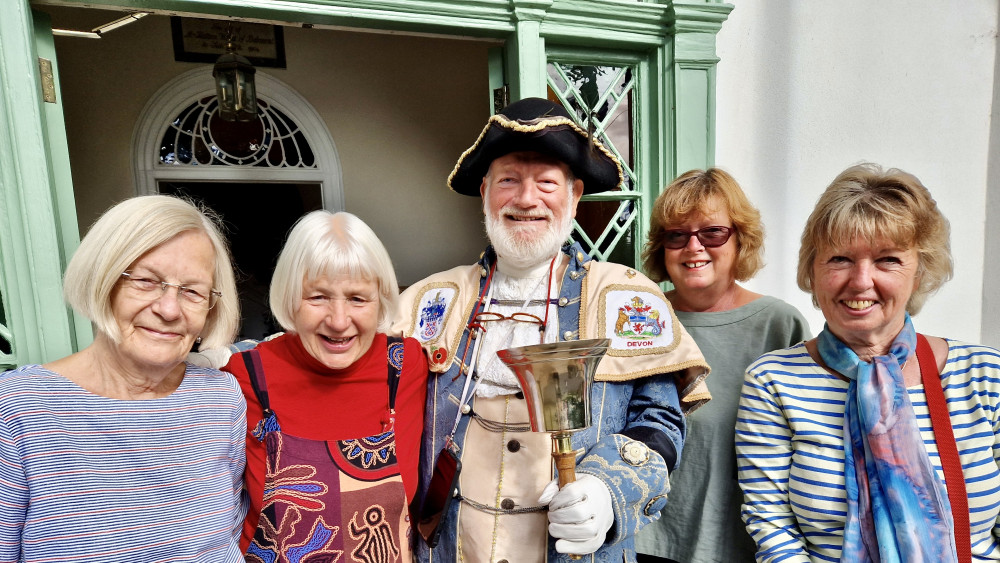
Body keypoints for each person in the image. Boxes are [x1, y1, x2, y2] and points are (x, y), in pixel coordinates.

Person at [391, 97, 711, 563]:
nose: (526, 199)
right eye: (508, 181)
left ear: (575, 196)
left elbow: (660, 424)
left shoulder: (625, 296)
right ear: (484, 193)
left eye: (546, 183)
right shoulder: (430, 299)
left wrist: (607, 492)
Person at [735, 163, 1000, 562]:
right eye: (839, 259)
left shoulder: (983, 374)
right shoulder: (774, 382)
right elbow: (772, 526)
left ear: (920, 270)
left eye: (887, 260)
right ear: (813, 269)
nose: (860, 281)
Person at [0, 195, 246, 562]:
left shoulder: (221, 399)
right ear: (103, 281)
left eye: (192, 291)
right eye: (146, 281)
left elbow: (228, 538)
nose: (169, 309)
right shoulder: (19, 408)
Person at [222, 210, 428, 562]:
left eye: (357, 298)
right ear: (290, 298)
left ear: (381, 301)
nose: (338, 320)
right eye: (317, 297)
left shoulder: (406, 365)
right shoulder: (243, 375)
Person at [634, 168, 810, 563]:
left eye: (711, 233)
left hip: (744, 543)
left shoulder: (779, 324)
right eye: (676, 235)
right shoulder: (639, 315)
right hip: (643, 542)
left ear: (740, 239)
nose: (693, 247)